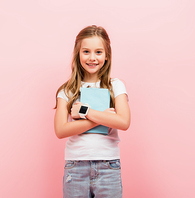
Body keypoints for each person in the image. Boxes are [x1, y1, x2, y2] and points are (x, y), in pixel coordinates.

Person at [54, 25, 131, 198]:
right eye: (86, 51)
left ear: (106, 55)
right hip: (76, 166)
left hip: (108, 165)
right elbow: (60, 130)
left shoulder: (115, 85)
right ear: (78, 53)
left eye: (98, 52)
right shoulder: (67, 90)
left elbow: (124, 122)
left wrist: (84, 111)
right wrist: (104, 117)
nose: (92, 58)